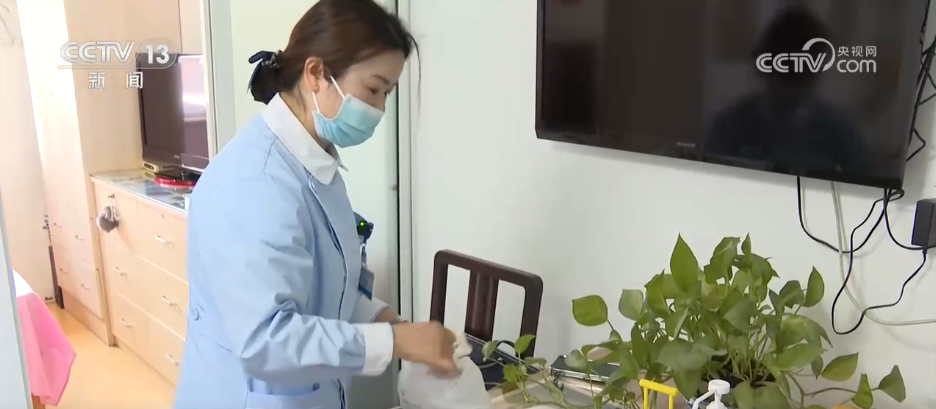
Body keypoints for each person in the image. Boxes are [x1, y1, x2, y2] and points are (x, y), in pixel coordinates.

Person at [173, 1, 457, 408]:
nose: (379, 110)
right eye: (373, 90)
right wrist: (395, 341)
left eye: (387, 94)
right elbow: (267, 341)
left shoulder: (317, 165)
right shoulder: (254, 184)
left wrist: (387, 320)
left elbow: (327, 289)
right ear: (316, 73)